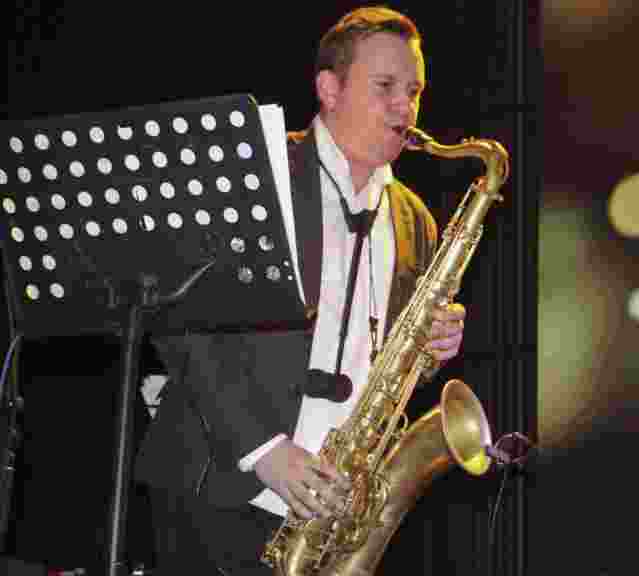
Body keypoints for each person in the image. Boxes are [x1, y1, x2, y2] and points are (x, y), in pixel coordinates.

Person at [135, 7, 468, 575]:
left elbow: (393, 363)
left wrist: (432, 350)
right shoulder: (258, 173)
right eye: (385, 86)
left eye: (413, 91)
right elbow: (180, 318)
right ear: (329, 89)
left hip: (329, 514)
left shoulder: (415, 220)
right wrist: (264, 450)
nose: (405, 107)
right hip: (219, 487)